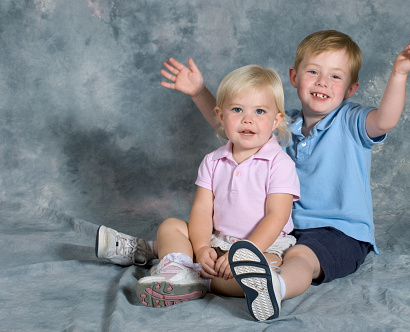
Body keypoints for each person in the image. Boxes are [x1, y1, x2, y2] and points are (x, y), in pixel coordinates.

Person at [158, 30, 410, 321]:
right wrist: (199, 92)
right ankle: (171, 261)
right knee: (204, 240)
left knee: (301, 258)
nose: (323, 82)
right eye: (313, 72)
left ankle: (276, 287)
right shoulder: (284, 125)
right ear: (294, 77)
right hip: (287, 231)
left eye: (335, 76)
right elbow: (235, 125)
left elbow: (385, 120)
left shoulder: (351, 121)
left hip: (338, 231)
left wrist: (399, 74)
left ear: (351, 89)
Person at [96, 65, 300, 314]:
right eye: (237, 110)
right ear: (221, 116)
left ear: (276, 120)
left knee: (255, 270)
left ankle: (226, 284)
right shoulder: (213, 161)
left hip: (263, 246)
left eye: (260, 111)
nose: (248, 119)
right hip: (219, 239)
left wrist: (244, 254)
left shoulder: (279, 163)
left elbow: (276, 217)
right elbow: (203, 210)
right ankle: (179, 270)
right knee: (171, 226)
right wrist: (203, 247)